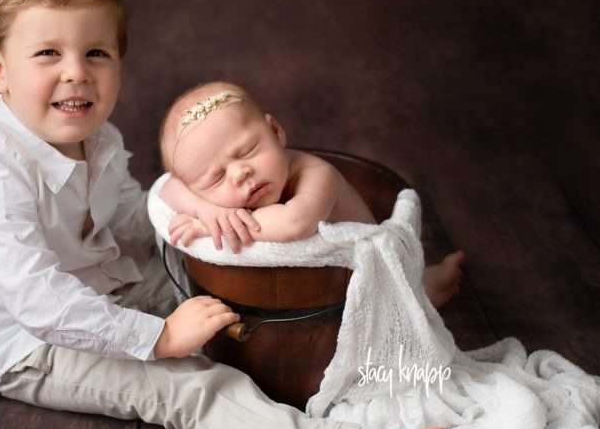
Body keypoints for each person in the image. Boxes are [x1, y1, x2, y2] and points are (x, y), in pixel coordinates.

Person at [0, 0, 446, 429]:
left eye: (96, 53)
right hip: (29, 343)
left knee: (222, 290)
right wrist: (160, 338)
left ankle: (390, 302)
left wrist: (202, 209)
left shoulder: (95, 137)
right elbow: (40, 302)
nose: (76, 71)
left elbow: (131, 218)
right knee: (183, 384)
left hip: (104, 284)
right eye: (48, 54)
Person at [159, 81, 464, 308]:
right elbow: (168, 187)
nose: (240, 174)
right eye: (217, 178)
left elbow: (295, 222)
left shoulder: (318, 174)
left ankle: (433, 282)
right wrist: (209, 211)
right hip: (308, 293)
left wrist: (206, 227)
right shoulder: (217, 196)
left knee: (412, 296)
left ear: (275, 131)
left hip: (371, 280)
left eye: (248, 151)